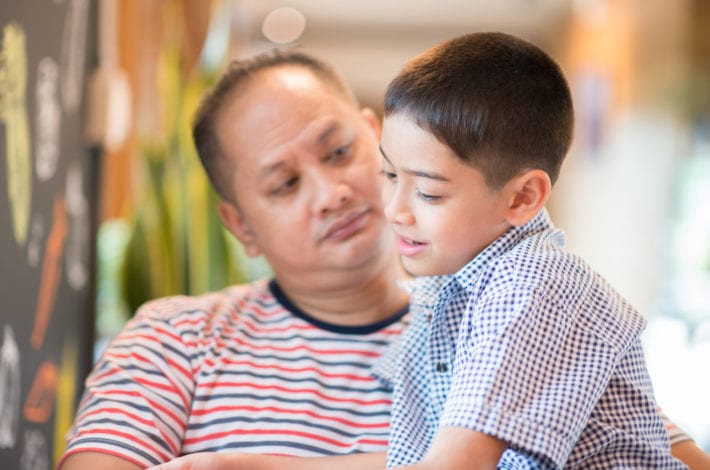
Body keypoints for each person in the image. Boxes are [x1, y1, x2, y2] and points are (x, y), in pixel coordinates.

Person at [58, 49, 709, 470]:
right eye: (284, 185)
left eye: (339, 151)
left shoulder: (498, 315)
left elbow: (660, 455)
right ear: (239, 226)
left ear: (381, 140)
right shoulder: (176, 339)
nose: (332, 192)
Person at [377, 31, 688, 468]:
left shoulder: (533, 282)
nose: (394, 210)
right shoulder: (448, 287)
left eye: (428, 193)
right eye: (389, 174)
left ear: (522, 198)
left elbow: (459, 464)